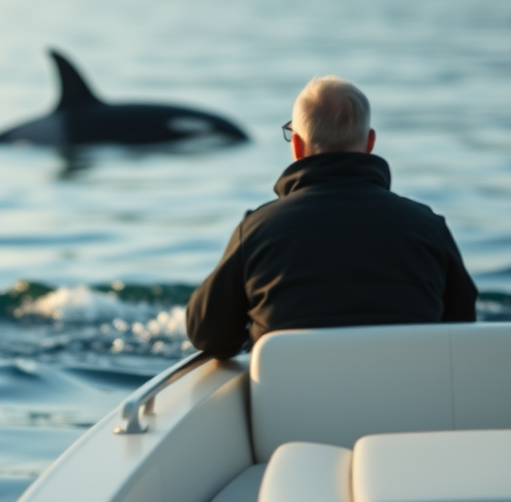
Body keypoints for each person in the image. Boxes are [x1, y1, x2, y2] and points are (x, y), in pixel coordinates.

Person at [185, 75, 477, 359]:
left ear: (297, 146)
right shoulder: (428, 228)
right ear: (370, 143)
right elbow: (462, 328)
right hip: (408, 405)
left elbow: (204, 332)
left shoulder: (258, 231)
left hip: (291, 406)